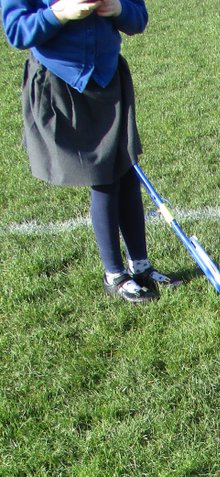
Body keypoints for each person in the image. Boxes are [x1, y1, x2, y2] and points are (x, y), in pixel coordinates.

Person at [2, 0, 180, 303]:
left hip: (109, 78)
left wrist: (118, 9)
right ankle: (114, 275)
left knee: (126, 171)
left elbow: (138, 18)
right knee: (104, 176)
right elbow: (17, 31)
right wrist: (60, 13)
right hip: (63, 84)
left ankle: (141, 265)